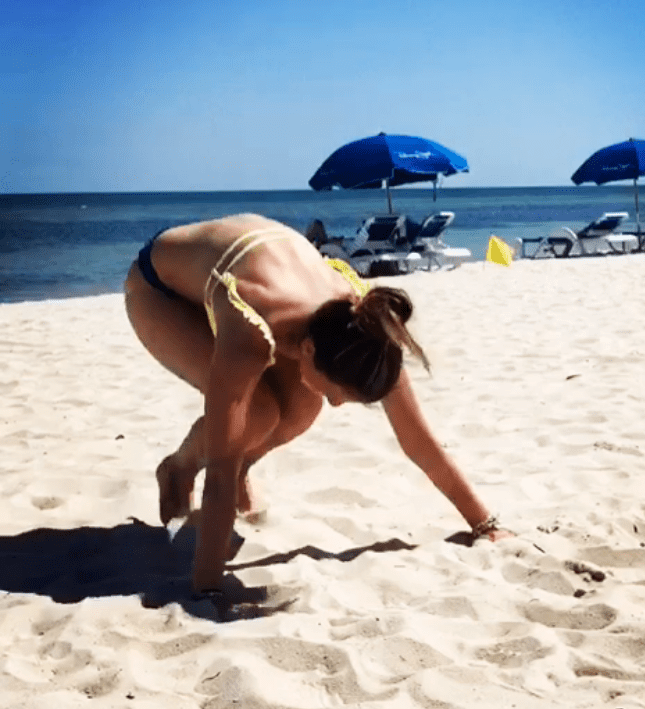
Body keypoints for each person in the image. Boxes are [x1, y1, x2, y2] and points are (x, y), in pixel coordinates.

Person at [124, 214, 512, 594]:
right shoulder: (250, 325)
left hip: (250, 271)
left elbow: (418, 440)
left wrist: (484, 524)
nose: (337, 404)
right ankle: (177, 471)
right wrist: (208, 586)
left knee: (301, 409)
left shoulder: (364, 326)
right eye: (337, 393)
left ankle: (245, 466)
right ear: (307, 349)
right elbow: (220, 471)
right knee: (256, 413)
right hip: (161, 289)